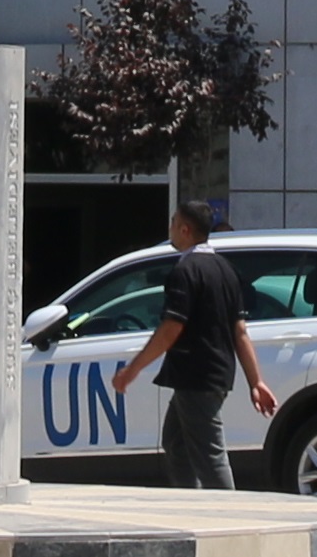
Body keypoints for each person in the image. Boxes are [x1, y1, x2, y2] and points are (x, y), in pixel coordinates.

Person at [114, 207, 277, 489]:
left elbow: (171, 328)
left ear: (185, 230)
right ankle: (190, 502)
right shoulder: (226, 270)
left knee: (210, 456)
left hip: (197, 377)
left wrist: (133, 369)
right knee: (176, 442)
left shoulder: (185, 270)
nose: (171, 229)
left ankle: (230, 519)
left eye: (173, 223)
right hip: (210, 375)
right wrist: (256, 380)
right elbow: (239, 332)